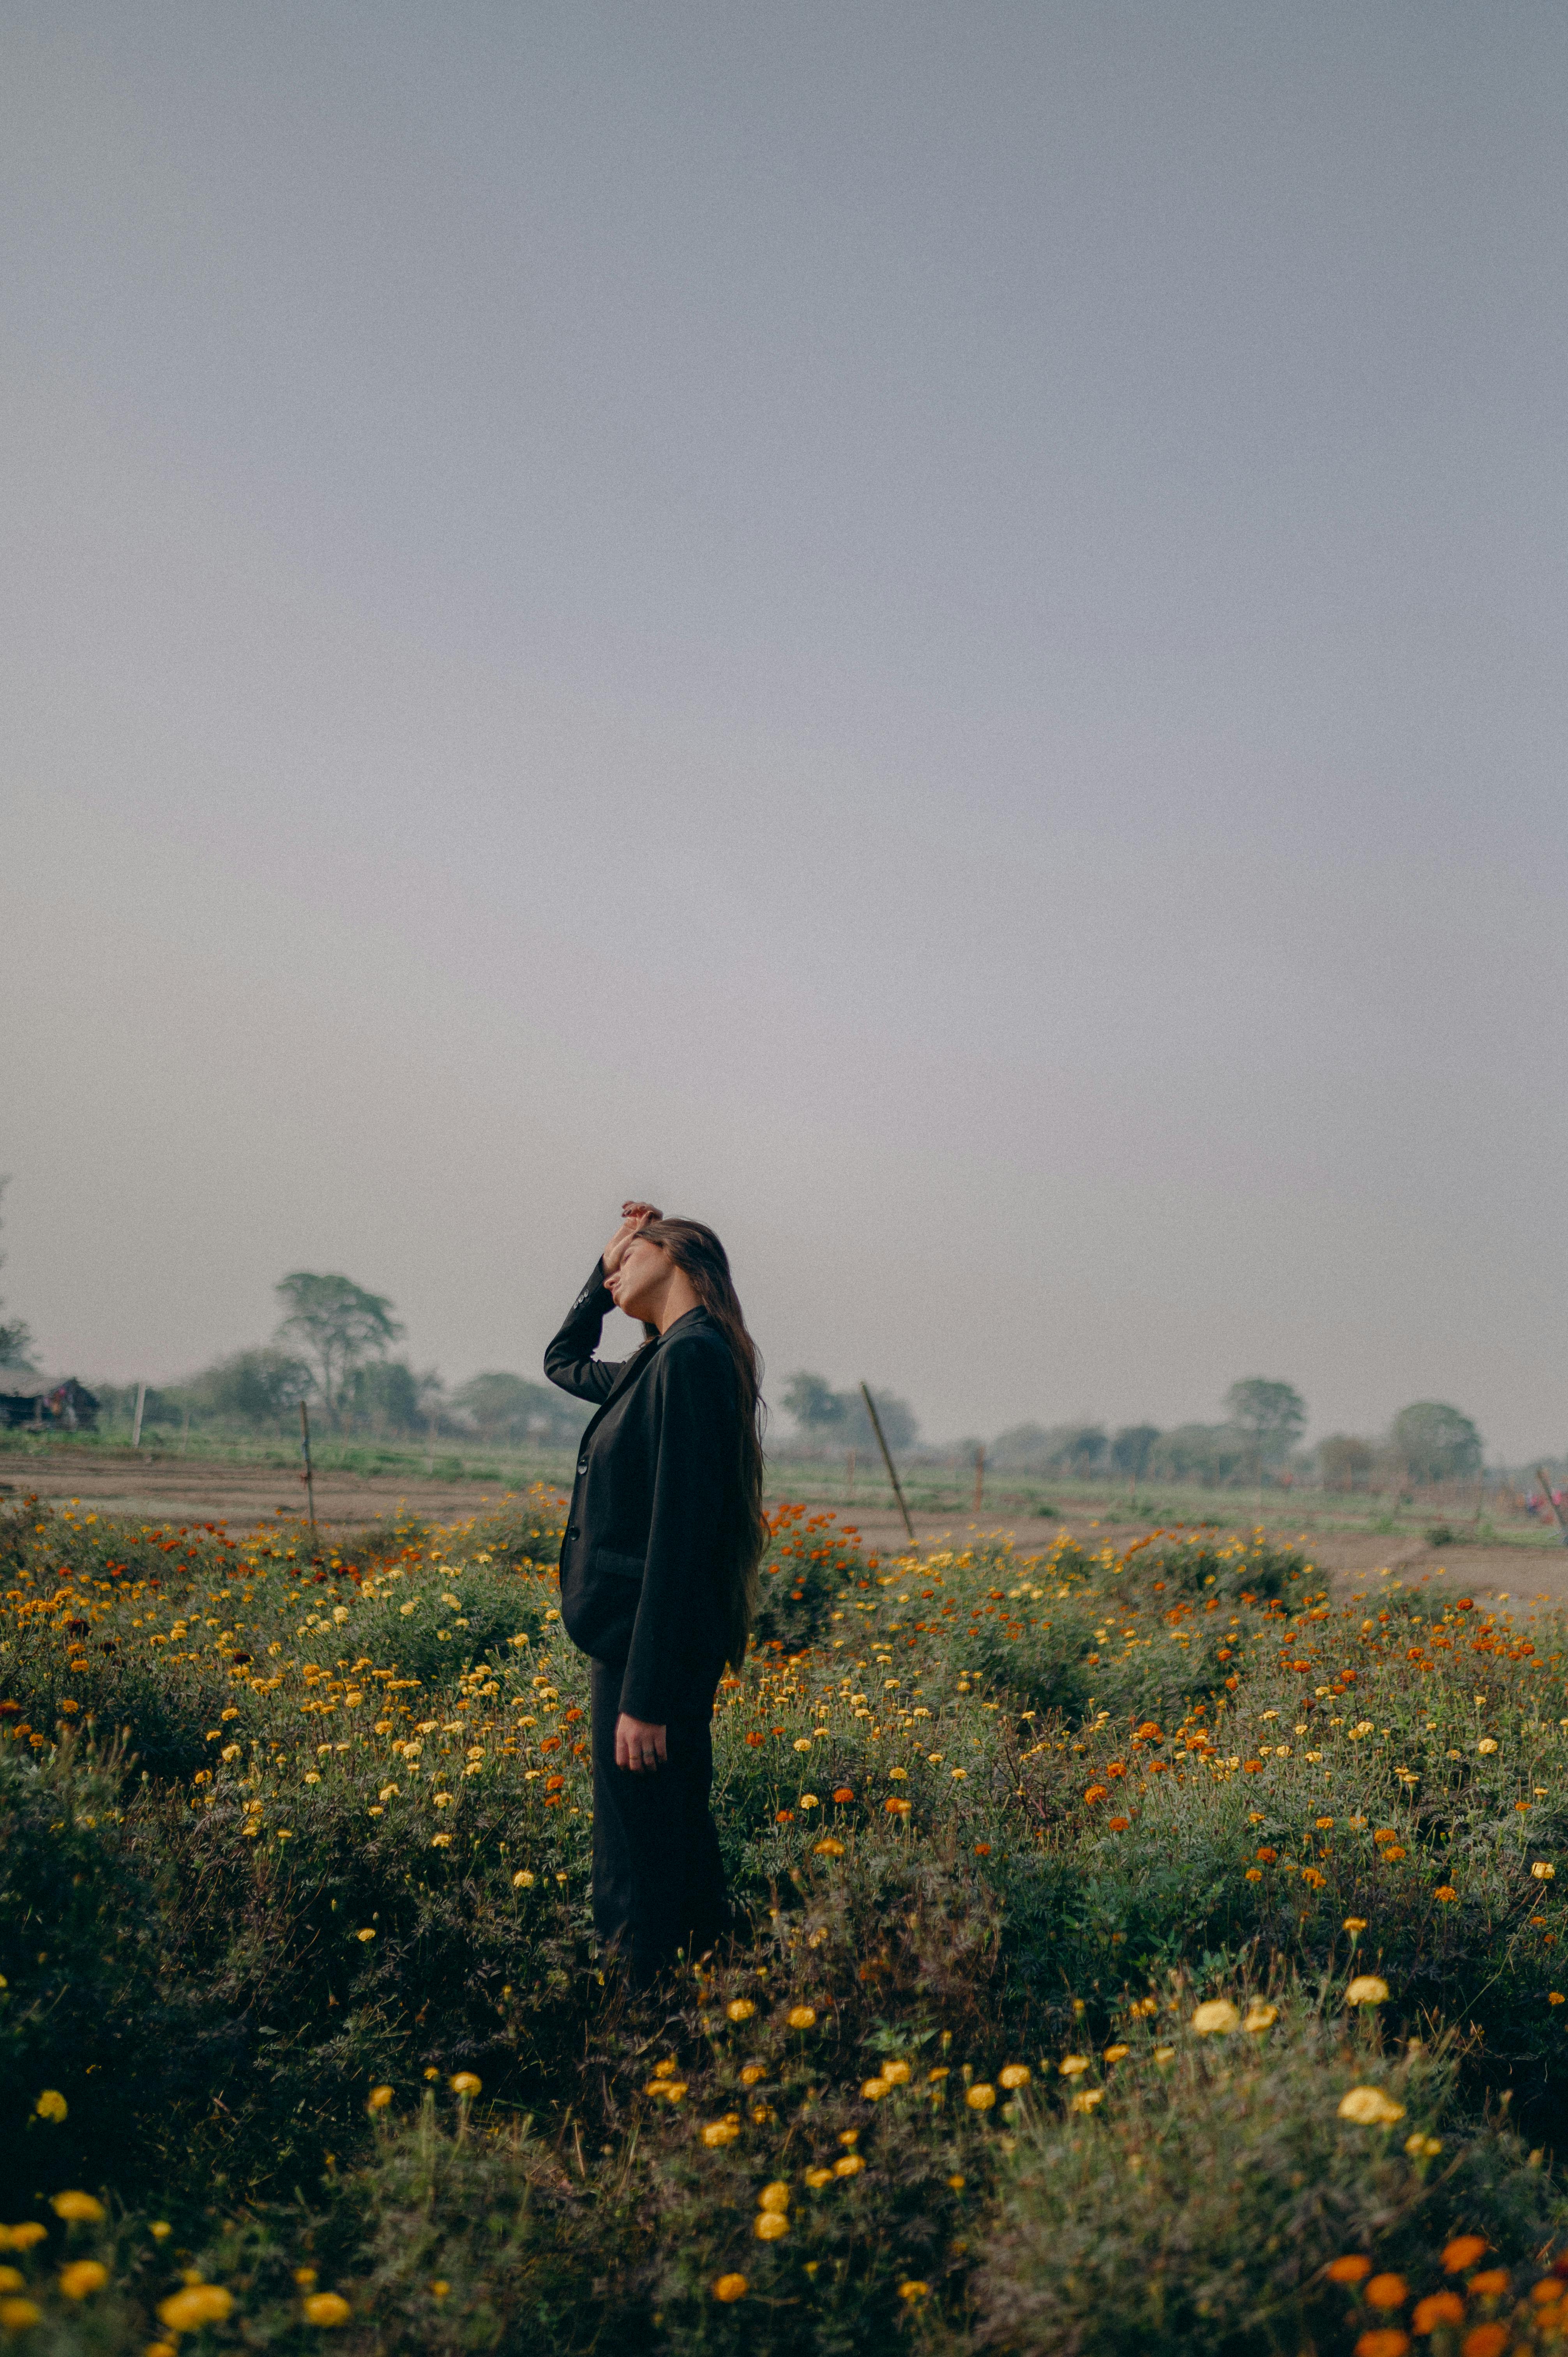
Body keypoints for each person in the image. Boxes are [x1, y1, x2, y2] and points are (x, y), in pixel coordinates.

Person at [544, 1201, 765, 1980]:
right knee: (664, 1838)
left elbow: (682, 1538)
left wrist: (646, 1695)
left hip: (648, 1652)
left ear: (679, 1259)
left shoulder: (690, 1360)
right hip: (639, 1643)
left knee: (635, 1860)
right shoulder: (664, 1359)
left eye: (626, 1258)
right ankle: (706, 2001)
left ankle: (641, 2029)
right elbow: (562, 1361)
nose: (612, 1273)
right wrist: (598, 1275)